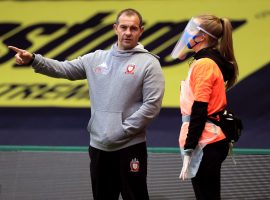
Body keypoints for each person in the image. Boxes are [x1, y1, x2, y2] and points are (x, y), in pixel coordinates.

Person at [9, 8, 165, 200]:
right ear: (115, 28)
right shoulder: (96, 59)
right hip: (99, 147)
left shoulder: (150, 63)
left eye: (133, 28)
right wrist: (33, 59)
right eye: (123, 27)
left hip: (130, 147)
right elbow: (64, 69)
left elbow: (152, 106)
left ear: (141, 31)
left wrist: (121, 131)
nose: (128, 32)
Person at [171, 14, 239, 199]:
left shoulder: (204, 65)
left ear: (202, 37)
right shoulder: (205, 62)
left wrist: (189, 148)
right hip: (207, 140)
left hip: (207, 141)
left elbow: (200, 108)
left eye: (192, 31)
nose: (187, 34)